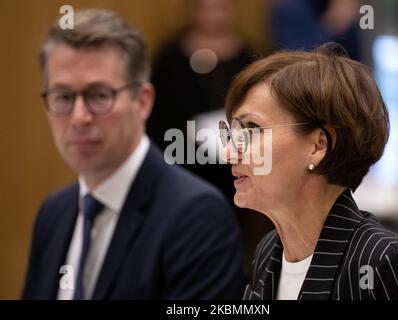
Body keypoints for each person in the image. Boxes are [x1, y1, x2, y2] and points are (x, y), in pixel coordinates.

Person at [22, 9, 245, 300]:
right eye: (63, 97)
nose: (79, 117)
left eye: (99, 95)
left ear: (142, 102)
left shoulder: (198, 216)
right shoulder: (53, 213)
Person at [218, 43, 398, 300]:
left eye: (252, 130)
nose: (229, 152)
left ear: (318, 145)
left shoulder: (382, 264)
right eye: (233, 131)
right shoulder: (268, 251)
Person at [148, 0, 254, 202]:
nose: (215, 16)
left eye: (222, 8)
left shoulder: (247, 55)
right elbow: (159, 114)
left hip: (234, 156)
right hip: (184, 154)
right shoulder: (171, 57)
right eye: (207, 9)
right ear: (192, 12)